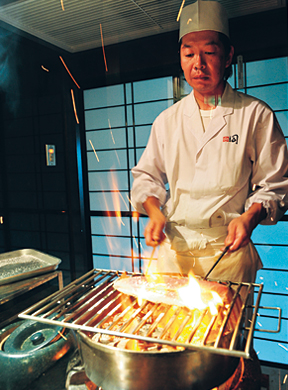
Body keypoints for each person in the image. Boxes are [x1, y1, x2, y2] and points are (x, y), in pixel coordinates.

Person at [131, 0, 288, 289]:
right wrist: (154, 212)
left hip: (227, 250)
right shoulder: (167, 120)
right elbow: (146, 177)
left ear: (228, 56)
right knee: (166, 331)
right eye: (189, 53)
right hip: (172, 251)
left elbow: (276, 184)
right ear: (180, 57)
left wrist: (249, 218)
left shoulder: (256, 114)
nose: (198, 64)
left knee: (225, 334)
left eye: (209, 52)